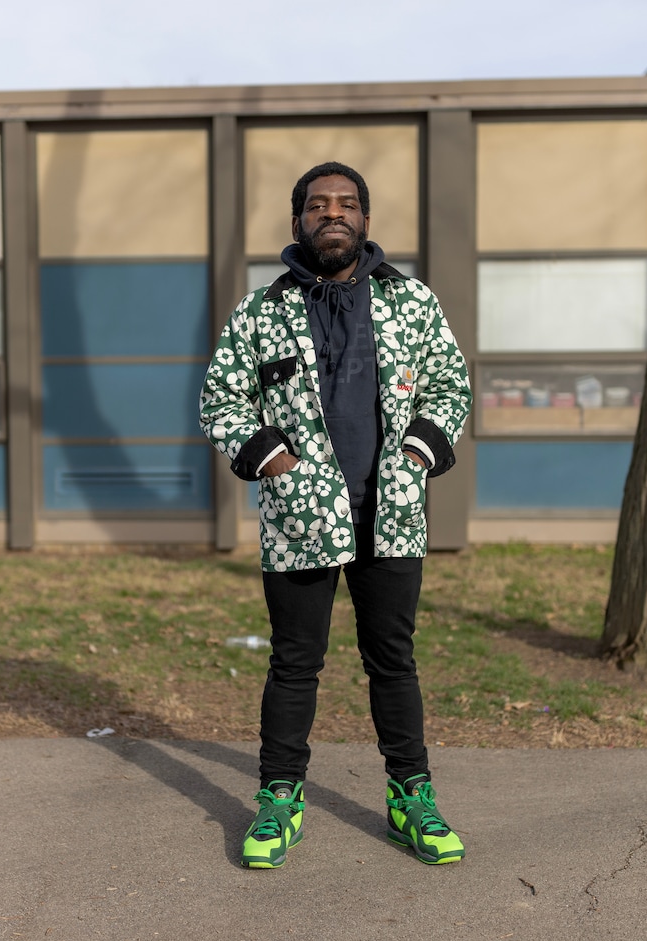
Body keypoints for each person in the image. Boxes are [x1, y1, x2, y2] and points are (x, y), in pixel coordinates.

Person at [198, 161, 473, 868]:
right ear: (298, 221)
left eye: (346, 204)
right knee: (294, 663)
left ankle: (412, 798)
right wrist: (274, 463)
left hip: (391, 513)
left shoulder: (412, 301)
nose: (332, 214)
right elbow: (222, 401)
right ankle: (278, 799)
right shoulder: (260, 312)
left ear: (365, 220)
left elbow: (449, 384)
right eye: (317, 205)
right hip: (300, 517)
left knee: (393, 661)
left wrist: (416, 455)